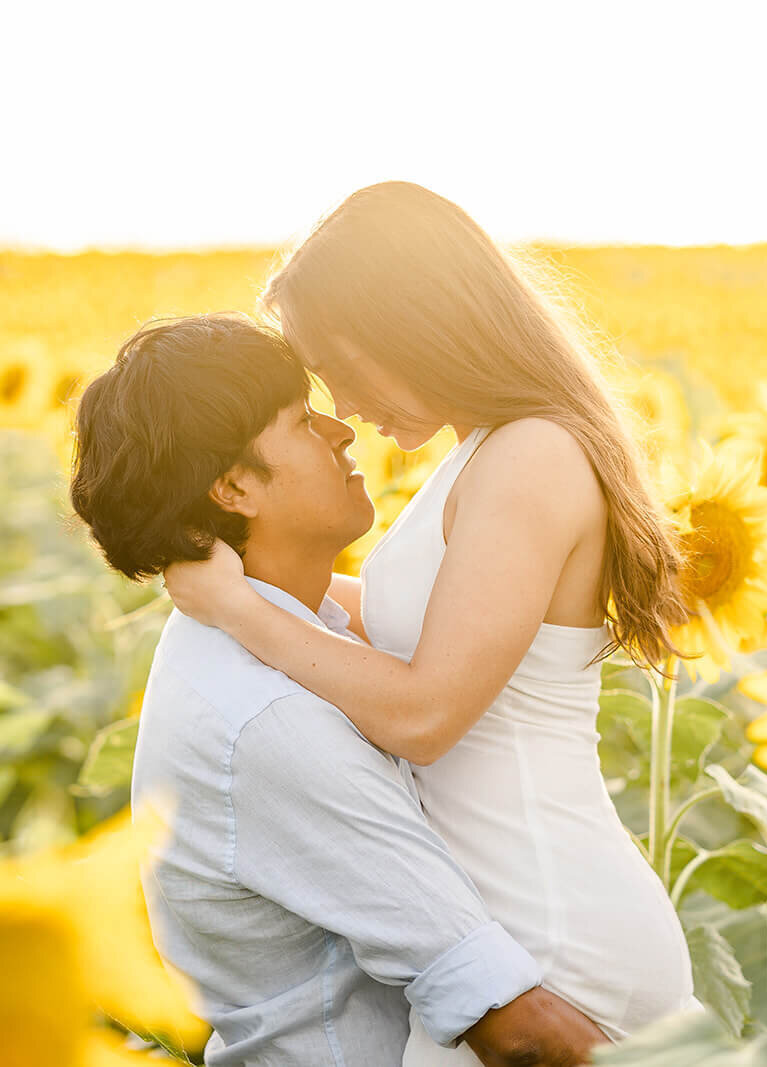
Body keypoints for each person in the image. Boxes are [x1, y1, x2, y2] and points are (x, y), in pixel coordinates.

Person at [162, 182, 702, 1058]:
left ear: (411, 327)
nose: (339, 403)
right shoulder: (485, 453)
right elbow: (414, 626)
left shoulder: (530, 455)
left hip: (552, 934)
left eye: (336, 365)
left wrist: (240, 611)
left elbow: (424, 712)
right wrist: (250, 571)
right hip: (516, 918)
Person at [69, 314, 607, 1066]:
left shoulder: (274, 632)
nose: (343, 430)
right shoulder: (268, 720)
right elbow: (517, 1028)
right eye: (301, 420)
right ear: (234, 486)